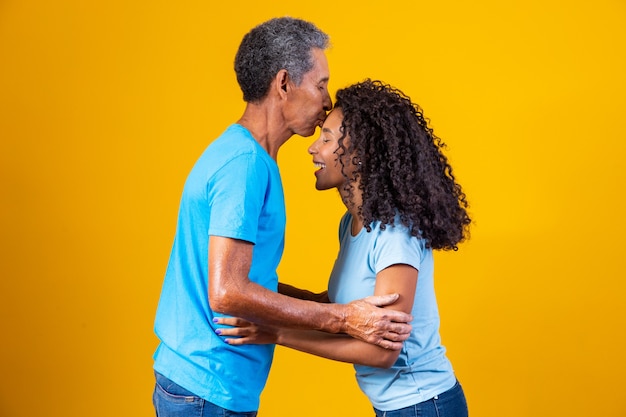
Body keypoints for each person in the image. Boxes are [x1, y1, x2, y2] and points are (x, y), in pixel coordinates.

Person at [152, 19, 413, 417]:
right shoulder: (244, 165)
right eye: (321, 84)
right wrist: (342, 318)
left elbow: (245, 280)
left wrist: (317, 304)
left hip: (201, 382)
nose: (327, 101)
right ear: (285, 83)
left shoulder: (246, 156)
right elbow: (228, 292)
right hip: (207, 386)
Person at [216, 79, 472, 417]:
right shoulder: (351, 225)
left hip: (424, 405)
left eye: (327, 138)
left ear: (361, 155)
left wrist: (276, 331)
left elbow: (383, 352)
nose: (312, 148)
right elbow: (340, 306)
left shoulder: (394, 233)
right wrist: (256, 293)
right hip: (398, 407)